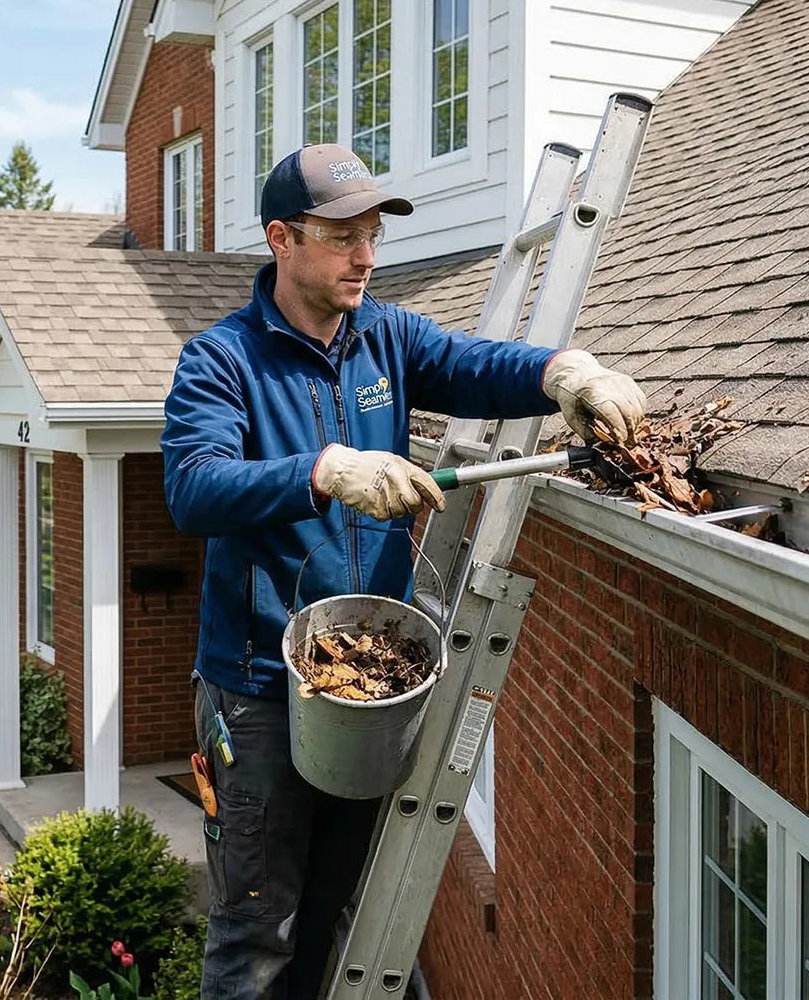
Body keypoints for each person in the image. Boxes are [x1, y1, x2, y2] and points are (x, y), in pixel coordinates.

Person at [161, 143, 647, 999]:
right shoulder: (221, 360)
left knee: (338, 917)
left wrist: (565, 371)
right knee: (256, 936)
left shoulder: (383, 336)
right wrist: (323, 471)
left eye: (373, 233)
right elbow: (193, 487)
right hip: (259, 688)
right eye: (342, 234)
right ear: (281, 238)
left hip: (368, 687)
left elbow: (471, 365)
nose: (365, 254)